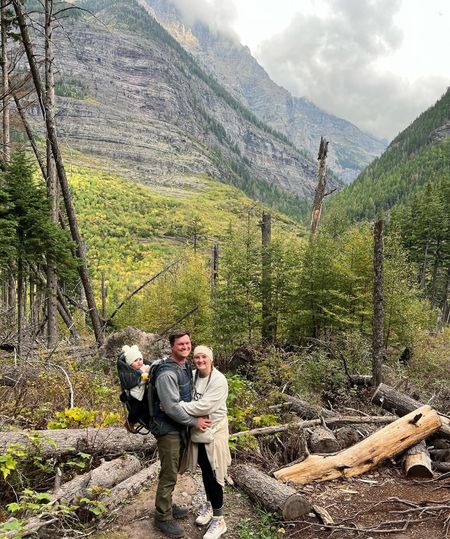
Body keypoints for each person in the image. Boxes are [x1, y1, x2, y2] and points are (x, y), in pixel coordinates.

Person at [153, 331, 212, 538]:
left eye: (188, 343)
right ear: (172, 346)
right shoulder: (167, 373)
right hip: (167, 429)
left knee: (174, 469)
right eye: (181, 344)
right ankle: (162, 517)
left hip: (178, 428)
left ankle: (167, 505)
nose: (185, 347)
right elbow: (171, 408)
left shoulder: (184, 366)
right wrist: (194, 421)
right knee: (169, 472)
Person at [179, 345, 231, 539]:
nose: (200, 360)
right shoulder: (192, 376)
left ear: (211, 359)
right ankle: (210, 506)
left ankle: (219, 520)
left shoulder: (219, 380)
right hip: (198, 431)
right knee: (205, 471)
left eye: (204, 357)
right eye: (197, 357)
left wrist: (178, 406)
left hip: (215, 432)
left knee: (214, 473)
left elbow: (204, 405)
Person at [117, 344, 151, 430]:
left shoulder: (143, 367)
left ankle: (148, 422)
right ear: (130, 363)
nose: (139, 362)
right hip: (135, 396)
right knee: (136, 409)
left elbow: (149, 368)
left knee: (147, 406)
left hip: (142, 393)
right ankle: (130, 422)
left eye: (140, 359)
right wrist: (143, 377)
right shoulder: (129, 373)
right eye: (135, 360)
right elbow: (135, 380)